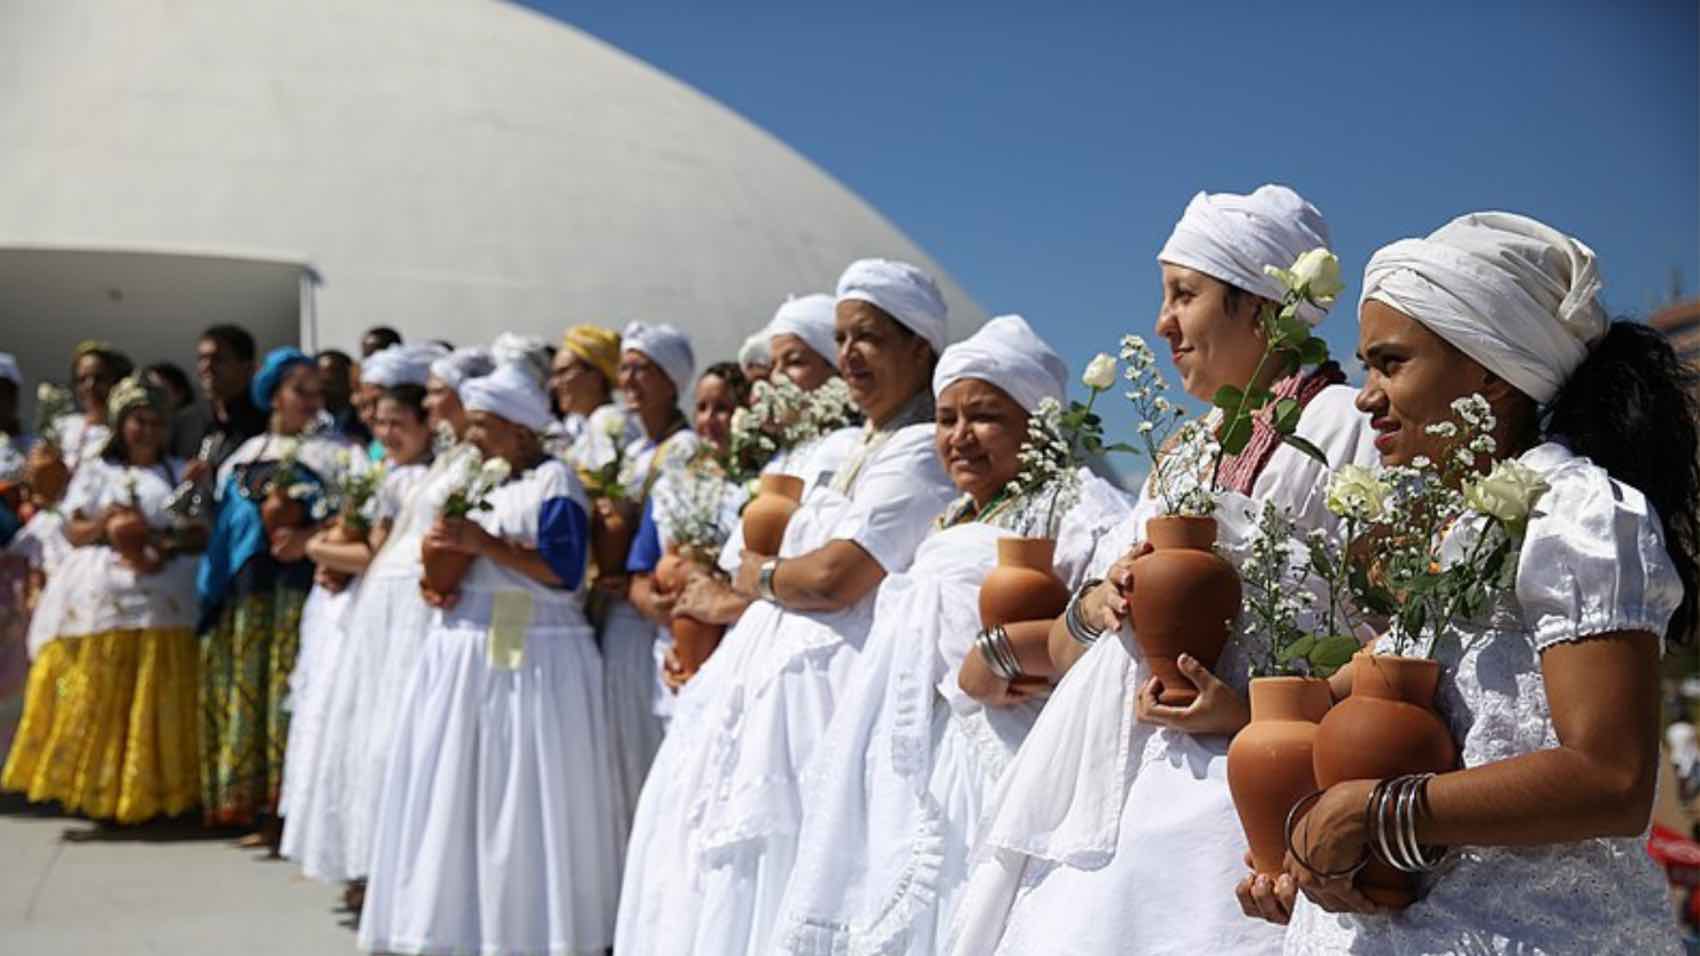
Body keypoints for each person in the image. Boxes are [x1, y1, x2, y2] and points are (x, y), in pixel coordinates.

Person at [1242, 213, 1698, 955]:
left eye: (1391, 364)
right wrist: (1299, 847)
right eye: (1366, 366)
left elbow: (1611, 777)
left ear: (1490, 373)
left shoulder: (1578, 511)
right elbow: (1350, 712)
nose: (1366, 396)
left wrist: (1372, 815)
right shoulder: (1459, 532)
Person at [946, 185, 1376, 956]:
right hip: (1121, 790)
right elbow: (1085, 646)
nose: (1162, 323)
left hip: (1249, 806)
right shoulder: (1182, 452)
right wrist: (1101, 600)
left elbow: (1395, 648)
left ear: (1262, 309)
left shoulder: (1342, 428)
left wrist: (1247, 712)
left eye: (1185, 294)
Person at [615, 257, 960, 955]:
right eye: (841, 339)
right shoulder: (833, 445)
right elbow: (777, 552)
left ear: (918, 347)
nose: (850, 356)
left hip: (833, 698)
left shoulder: (924, 451)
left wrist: (755, 578)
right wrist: (772, 575)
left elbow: (838, 577)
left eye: (868, 337)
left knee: (800, 854)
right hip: (760, 678)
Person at [774, 315, 1134, 955]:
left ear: (1036, 422)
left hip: (1003, 754)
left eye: (985, 416)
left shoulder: (1079, 505)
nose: (960, 437)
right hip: (915, 754)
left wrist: (1004, 654)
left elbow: (1107, 621)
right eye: (946, 419)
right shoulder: (950, 514)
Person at [359, 361, 619, 956]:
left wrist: (486, 546)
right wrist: (441, 577)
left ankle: (529, 927)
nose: (469, 436)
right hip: (468, 649)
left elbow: (564, 571)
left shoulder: (555, 483)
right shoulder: (478, 481)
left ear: (519, 428)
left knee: (525, 789)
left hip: (537, 651)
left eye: (482, 425)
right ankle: (460, 923)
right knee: (464, 786)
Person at [1, 375, 205, 823]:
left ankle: (155, 791)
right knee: (98, 687)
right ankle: (96, 790)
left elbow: (195, 530)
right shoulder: (97, 472)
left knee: (156, 687)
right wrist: (106, 526)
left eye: (155, 422)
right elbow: (72, 529)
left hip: (160, 595)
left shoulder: (174, 471)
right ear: (120, 424)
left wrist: (158, 544)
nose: (146, 431)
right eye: (137, 421)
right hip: (101, 593)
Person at [279, 343, 443, 898]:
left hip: (409, 611)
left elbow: (373, 552)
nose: (389, 433)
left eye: (400, 423)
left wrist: (312, 550)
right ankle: (365, 858)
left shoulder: (423, 478)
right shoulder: (385, 475)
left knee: (399, 732)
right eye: (382, 423)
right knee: (366, 730)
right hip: (380, 614)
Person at [196, 347, 349, 840]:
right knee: (249, 692)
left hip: (300, 591)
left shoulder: (334, 454)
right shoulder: (243, 456)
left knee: (291, 693)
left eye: (316, 392)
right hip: (247, 593)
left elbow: (348, 520)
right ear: (275, 397)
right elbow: (225, 528)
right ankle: (252, 804)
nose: (310, 401)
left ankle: (291, 809)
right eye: (299, 391)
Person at [597, 321, 701, 828]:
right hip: (618, 612)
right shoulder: (630, 449)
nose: (629, 380)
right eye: (626, 368)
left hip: (648, 619)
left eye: (643, 370)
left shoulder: (682, 450)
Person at [624, 362, 751, 723]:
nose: (710, 420)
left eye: (723, 408)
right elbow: (638, 577)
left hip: (736, 649)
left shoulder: (759, 488)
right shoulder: (671, 487)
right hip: (675, 652)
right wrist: (660, 606)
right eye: (702, 408)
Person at [174, 324, 265, 468]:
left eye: (218, 359)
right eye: (201, 358)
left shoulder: (267, 422)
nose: (206, 367)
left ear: (248, 368)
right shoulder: (186, 423)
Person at [547, 323, 640, 465]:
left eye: (563, 372)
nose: (554, 384)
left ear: (595, 376)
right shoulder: (577, 425)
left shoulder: (609, 420)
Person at [316, 349, 371, 447]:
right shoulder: (306, 419)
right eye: (320, 382)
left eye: (332, 382)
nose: (324, 388)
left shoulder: (366, 420)